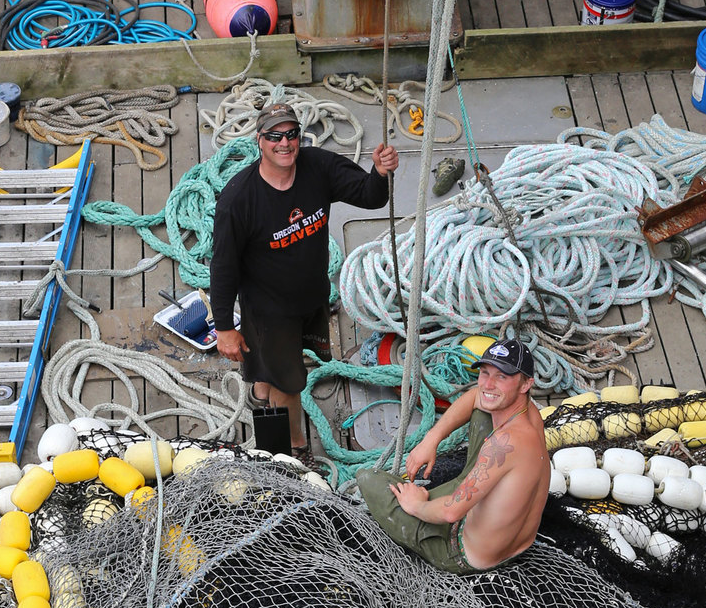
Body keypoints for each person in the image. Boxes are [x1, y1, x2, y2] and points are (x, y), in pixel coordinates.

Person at [210, 103, 399, 456]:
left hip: (312, 298)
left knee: (279, 373)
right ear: (260, 141)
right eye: (274, 136)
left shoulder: (318, 166)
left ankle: (260, 394)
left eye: (291, 134)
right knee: (291, 383)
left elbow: (370, 196)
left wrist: (380, 172)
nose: (285, 143)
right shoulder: (239, 200)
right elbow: (223, 268)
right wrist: (223, 327)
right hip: (269, 312)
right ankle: (294, 449)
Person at [356, 338, 550, 574]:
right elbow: (475, 396)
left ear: (525, 384)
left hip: (461, 554)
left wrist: (416, 505)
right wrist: (431, 440)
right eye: (485, 373)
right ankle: (464, 483)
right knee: (484, 410)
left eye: (502, 377)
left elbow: (451, 512)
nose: (488, 384)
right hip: (515, 544)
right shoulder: (530, 415)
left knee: (369, 478)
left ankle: (434, 517)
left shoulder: (503, 444)